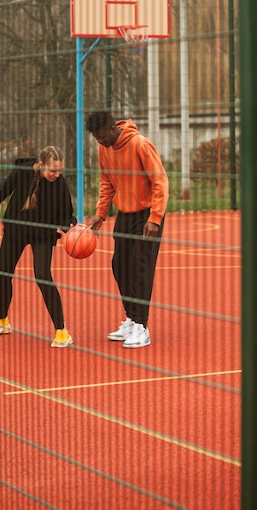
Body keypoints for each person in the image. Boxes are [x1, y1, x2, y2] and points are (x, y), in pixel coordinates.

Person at [0, 146, 76, 348]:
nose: (57, 174)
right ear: (41, 165)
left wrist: (71, 225)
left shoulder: (59, 183)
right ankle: (2, 320)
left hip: (42, 234)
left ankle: (62, 331)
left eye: (60, 170)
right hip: (16, 230)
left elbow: (65, 212)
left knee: (43, 276)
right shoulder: (22, 173)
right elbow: (1, 191)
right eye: (53, 170)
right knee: (4, 273)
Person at [85, 111, 168, 348]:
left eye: (101, 137)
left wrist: (155, 217)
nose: (99, 142)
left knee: (140, 268)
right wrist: (100, 213)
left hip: (146, 216)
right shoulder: (105, 149)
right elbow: (106, 182)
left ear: (113, 129)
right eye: (96, 139)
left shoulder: (140, 144)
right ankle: (132, 318)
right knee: (120, 266)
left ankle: (142, 327)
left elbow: (160, 181)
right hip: (124, 215)